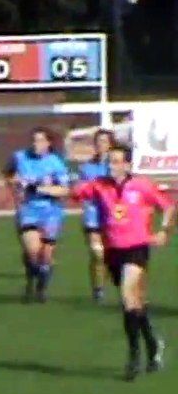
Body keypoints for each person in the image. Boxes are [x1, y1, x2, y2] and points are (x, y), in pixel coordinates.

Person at [72, 144, 174, 381]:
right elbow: (75, 192)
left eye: (118, 161)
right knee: (135, 304)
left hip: (137, 248)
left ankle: (133, 356)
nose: (113, 165)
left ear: (128, 164)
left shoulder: (141, 186)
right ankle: (152, 342)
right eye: (110, 161)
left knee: (128, 298)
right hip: (113, 250)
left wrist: (163, 231)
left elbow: (167, 207)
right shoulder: (99, 185)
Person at [6, 127, 70, 303]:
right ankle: (30, 278)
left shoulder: (56, 162)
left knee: (46, 255)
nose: (36, 144)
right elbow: (9, 174)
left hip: (51, 211)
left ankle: (41, 287)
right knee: (32, 250)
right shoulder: (20, 157)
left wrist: (40, 188)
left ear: (48, 143)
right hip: (28, 209)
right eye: (34, 140)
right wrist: (14, 183)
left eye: (41, 141)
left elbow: (64, 190)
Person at [76, 128, 114, 304]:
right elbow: (80, 190)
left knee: (106, 255)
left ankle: (101, 285)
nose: (100, 145)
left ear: (110, 144)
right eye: (98, 142)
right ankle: (97, 289)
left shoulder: (116, 166)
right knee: (96, 253)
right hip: (92, 215)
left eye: (104, 142)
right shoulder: (86, 168)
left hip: (112, 215)